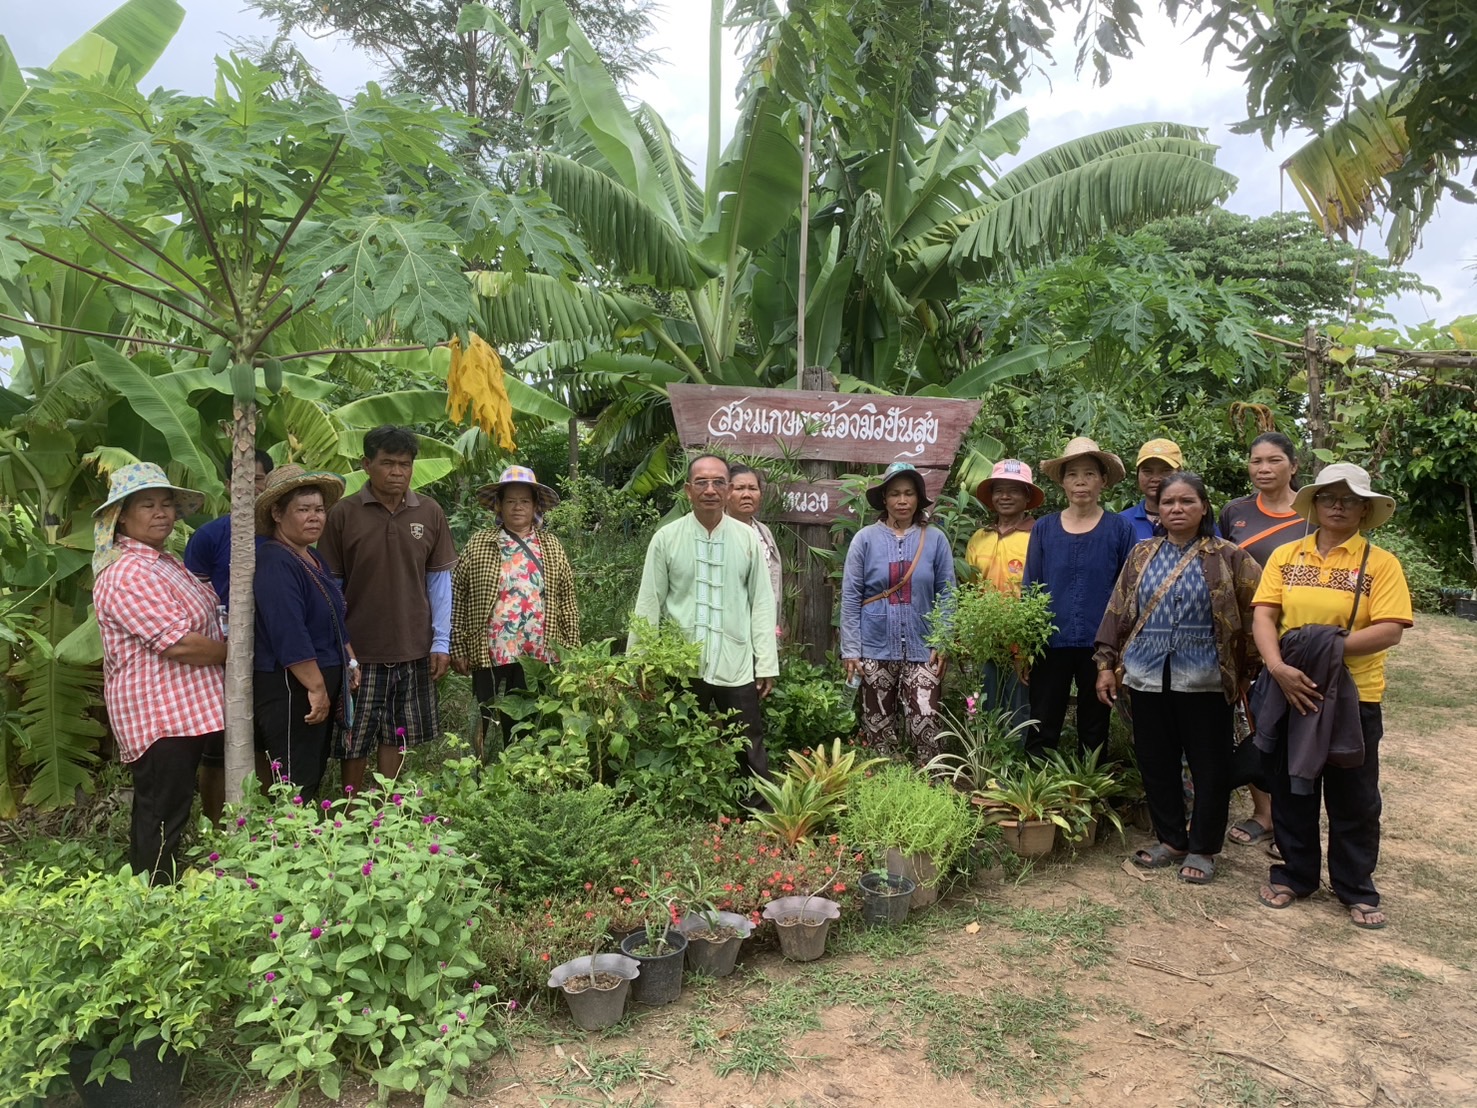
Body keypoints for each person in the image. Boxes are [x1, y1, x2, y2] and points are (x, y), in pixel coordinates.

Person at [1251, 463, 1411, 930]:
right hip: (1289, 689)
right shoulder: (1287, 555)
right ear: (1315, 505)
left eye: (1349, 499)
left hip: (1353, 696)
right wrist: (1279, 668)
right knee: (1291, 785)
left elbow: (1390, 629)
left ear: (1364, 510)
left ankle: (1356, 887)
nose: (1337, 506)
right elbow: (1265, 616)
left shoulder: (1379, 565)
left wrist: (1325, 651)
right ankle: (1295, 876)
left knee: (1354, 794)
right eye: (1328, 497)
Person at [1093, 472, 1263, 884]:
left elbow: (1259, 613)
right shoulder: (1141, 555)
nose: (1177, 509)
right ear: (1159, 508)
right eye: (1169, 502)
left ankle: (1203, 846)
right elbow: (1117, 610)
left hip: (1205, 676)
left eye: (1187, 502)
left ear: (1204, 507)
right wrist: (1105, 664)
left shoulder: (1229, 557)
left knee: (1211, 765)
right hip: (1147, 675)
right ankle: (1171, 840)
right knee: (1156, 761)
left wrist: (1247, 671)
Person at [92, 463, 225, 883]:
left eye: (166, 504)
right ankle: (151, 893)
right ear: (122, 518)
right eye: (147, 505)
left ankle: (157, 887)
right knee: (161, 812)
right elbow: (177, 642)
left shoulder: (164, 561)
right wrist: (234, 653)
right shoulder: (127, 571)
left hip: (184, 710)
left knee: (171, 807)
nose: (161, 513)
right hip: (159, 714)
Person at [318, 426, 457, 795]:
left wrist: (440, 642)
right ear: (366, 464)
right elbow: (330, 588)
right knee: (354, 735)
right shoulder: (342, 515)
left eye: (405, 464)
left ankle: (387, 809)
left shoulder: (429, 512)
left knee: (396, 733)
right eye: (387, 463)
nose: (397, 472)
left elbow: (439, 584)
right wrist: (340, 646)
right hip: (359, 649)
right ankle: (348, 808)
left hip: (413, 645)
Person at [632, 453, 778, 779]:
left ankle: (757, 808)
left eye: (718, 483)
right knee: (676, 740)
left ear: (727, 490)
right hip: (681, 662)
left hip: (736, 659)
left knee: (748, 742)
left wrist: (766, 662)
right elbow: (649, 602)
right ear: (687, 490)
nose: (710, 490)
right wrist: (640, 660)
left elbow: (762, 604)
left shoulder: (748, 541)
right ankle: (681, 808)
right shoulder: (666, 539)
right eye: (701, 483)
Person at [450, 465, 580, 750]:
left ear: (535, 506)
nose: (517, 507)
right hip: (489, 649)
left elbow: (567, 600)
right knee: (483, 717)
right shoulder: (479, 543)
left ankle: (523, 775)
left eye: (524, 500)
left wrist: (571, 649)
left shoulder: (551, 546)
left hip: (537, 652)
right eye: (510, 500)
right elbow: (458, 594)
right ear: (499, 505)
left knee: (529, 718)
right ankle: (479, 774)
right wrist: (457, 646)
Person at [1023, 437, 1136, 758]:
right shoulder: (1044, 529)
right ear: (1062, 481)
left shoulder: (1120, 529)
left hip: (1099, 645)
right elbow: (1032, 586)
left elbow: (1127, 591)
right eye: (1072, 474)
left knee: (1095, 722)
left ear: (1102, 480)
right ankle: (1037, 791)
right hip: (1050, 642)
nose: (1081, 482)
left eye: (1089, 474)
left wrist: (1117, 650)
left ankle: (1089, 792)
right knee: (1042, 721)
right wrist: (1028, 645)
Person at [253, 465, 359, 801]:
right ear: (277, 513)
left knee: (310, 767)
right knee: (294, 773)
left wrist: (350, 659)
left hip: (322, 675)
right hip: (292, 686)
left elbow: (333, 614)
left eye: (319, 510)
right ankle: (285, 844)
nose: (314, 517)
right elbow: (288, 631)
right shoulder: (275, 561)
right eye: (303, 510)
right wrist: (316, 688)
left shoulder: (311, 557)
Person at [1219, 431, 1303, 848]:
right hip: (1246, 635)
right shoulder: (1234, 512)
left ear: (1293, 465)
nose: (1264, 469)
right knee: (1252, 723)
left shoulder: (1312, 513)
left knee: (1299, 727)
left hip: (1301, 635)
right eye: (1256, 461)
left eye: (1273, 461)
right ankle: (1265, 812)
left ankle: (1294, 816)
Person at [840, 462, 956, 764]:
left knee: (927, 720)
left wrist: (942, 640)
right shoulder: (864, 539)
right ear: (884, 499)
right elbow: (851, 597)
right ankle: (885, 784)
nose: (902, 501)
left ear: (918, 498)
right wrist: (851, 649)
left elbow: (947, 594)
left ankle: (932, 784)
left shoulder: (935, 539)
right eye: (894, 494)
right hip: (874, 646)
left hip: (924, 648)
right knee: (877, 724)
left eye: (908, 493)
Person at [964, 458, 1044, 726]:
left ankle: (1017, 765)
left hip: (1021, 643)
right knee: (984, 706)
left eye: (1014, 490)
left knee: (1018, 709)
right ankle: (986, 763)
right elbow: (969, 589)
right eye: (999, 490)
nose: (1005, 496)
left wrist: (1027, 647)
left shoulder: (1038, 536)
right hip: (984, 642)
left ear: (1027, 496)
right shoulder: (979, 538)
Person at [184, 449, 274, 605]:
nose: (250, 486)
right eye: (241, 478)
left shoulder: (283, 531)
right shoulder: (208, 535)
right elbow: (194, 593)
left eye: (257, 479)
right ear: (228, 485)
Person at [726, 464, 783, 626]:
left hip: (762, 623)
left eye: (753, 488)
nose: (747, 495)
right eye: (739, 488)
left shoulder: (764, 533)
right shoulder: (716, 531)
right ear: (726, 493)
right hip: (729, 626)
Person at [1124, 438, 1184, 541]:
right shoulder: (1122, 522)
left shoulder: (1195, 520)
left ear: (1180, 474)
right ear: (1137, 475)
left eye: (1165, 471)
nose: (1156, 478)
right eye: (1147, 471)